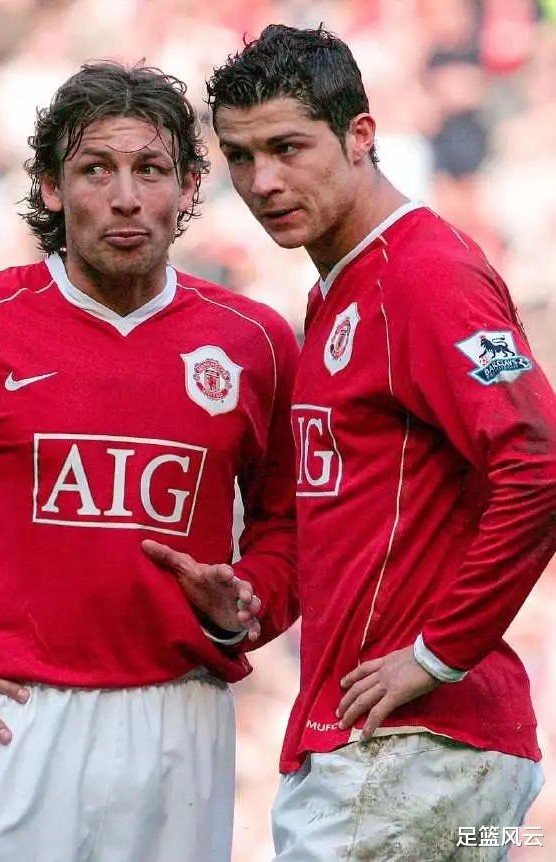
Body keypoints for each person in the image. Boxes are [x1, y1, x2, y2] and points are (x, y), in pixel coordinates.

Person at [0, 61, 300, 862]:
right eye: (96, 168)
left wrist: (246, 603)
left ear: (189, 186)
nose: (126, 197)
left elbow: (293, 526)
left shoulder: (256, 343)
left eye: (151, 169)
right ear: (51, 187)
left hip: (181, 724)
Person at [164, 24, 556, 860]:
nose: (263, 181)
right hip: (402, 747)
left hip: (409, 745)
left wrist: (439, 654)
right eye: (241, 157)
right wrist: (253, 600)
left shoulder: (423, 274)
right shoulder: (339, 293)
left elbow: (539, 463)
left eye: (287, 148)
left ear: (360, 135)